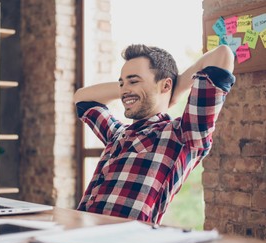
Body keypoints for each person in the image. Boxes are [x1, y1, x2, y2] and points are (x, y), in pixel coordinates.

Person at [74, 44, 235, 224]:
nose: (124, 90)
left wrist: (176, 87)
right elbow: (82, 98)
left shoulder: (182, 134)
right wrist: (133, 87)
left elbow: (222, 55)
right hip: (80, 234)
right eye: (121, 83)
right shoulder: (117, 134)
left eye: (134, 81)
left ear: (166, 84)